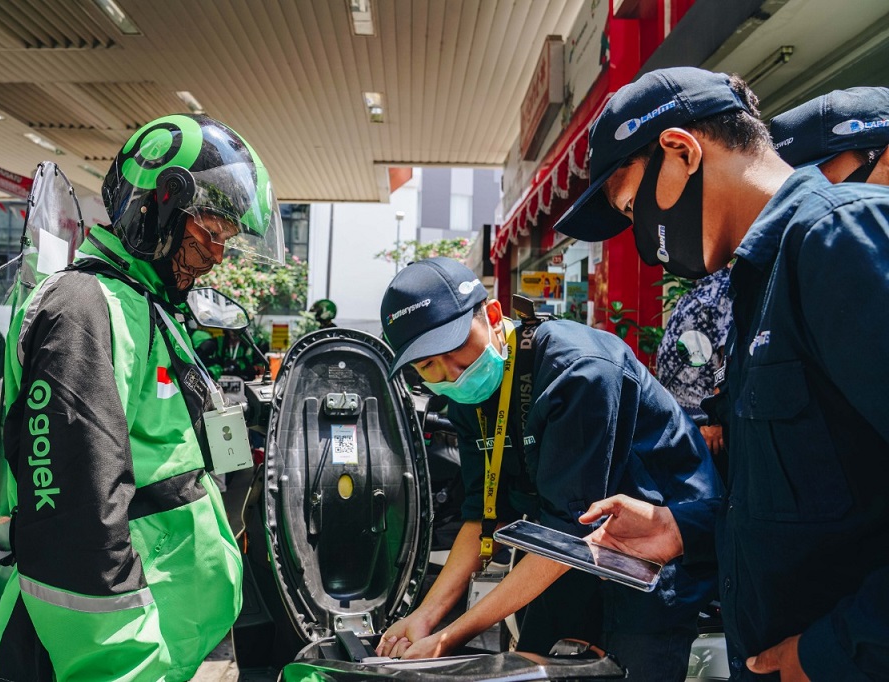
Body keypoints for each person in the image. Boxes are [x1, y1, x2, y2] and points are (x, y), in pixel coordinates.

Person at [553, 68, 889, 679]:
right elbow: (819, 484)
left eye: (634, 207)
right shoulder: (755, 282)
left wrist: (831, 652)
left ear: (680, 151)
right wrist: (684, 527)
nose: (641, 237)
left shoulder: (837, 238)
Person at [0, 113, 283, 682]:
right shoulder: (84, 311)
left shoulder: (143, 305)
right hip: (121, 658)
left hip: (171, 644)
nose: (218, 255)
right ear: (160, 207)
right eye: (211, 233)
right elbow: (76, 524)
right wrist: (128, 666)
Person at [375, 257, 722, 681]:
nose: (452, 373)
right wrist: (426, 617)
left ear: (493, 315)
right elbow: (482, 516)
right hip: (567, 557)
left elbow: (569, 532)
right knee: (527, 668)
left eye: (455, 349)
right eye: (428, 365)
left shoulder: (577, 370)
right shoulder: (467, 396)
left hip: (650, 560)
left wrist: (449, 639)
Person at [654, 266, 732, 468]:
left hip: (703, 421)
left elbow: (727, 357)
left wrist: (716, 419)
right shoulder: (698, 288)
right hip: (684, 416)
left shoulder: (723, 288)